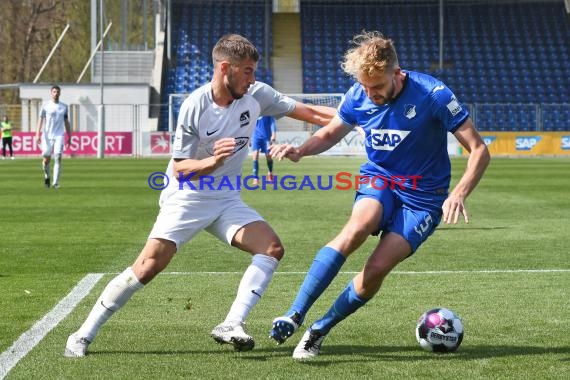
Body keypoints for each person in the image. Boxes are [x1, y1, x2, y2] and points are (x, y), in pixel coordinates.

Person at [64, 34, 335, 357]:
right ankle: (81, 335)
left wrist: (359, 116)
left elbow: (312, 114)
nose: (252, 79)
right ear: (225, 68)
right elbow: (181, 169)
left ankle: (231, 323)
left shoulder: (257, 95)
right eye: (247, 71)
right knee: (148, 266)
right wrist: (215, 160)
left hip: (225, 198)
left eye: (253, 71)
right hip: (187, 196)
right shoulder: (195, 105)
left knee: (271, 248)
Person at [269, 31, 490, 360]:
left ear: (397, 74)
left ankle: (318, 329)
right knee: (358, 227)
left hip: (424, 198)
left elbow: (479, 149)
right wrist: (301, 151)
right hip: (381, 178)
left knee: (375, 269)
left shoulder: (433, 94)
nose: (370, 93)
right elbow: (331, 132)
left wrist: (459, 192)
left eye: (378, 87)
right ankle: (295, 312)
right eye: (365, 86)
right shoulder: (358, 94)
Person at [35, 85, 72, 189]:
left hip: (59, 135)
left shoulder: (64, 107)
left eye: (57, 92)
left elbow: (66, 122)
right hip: (47, 136)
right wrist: (37, 134)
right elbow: (40, 120)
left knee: (58, 156)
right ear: (51, 93)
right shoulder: (45, 105)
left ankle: (55, 182)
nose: (56, 93)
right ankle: (47, 176)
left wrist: (69, 136)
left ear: (60, 93)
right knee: (46, 159)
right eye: (54, 92)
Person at [251, 115, 277, 185]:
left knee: (268, 155)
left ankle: (270, 173)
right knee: (255, 155)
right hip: (255, 136)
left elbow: (273, 122)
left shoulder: (268, 110)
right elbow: (250, 124)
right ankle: (255, 178)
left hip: (266, 136)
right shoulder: (254, 110)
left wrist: (274, 134)